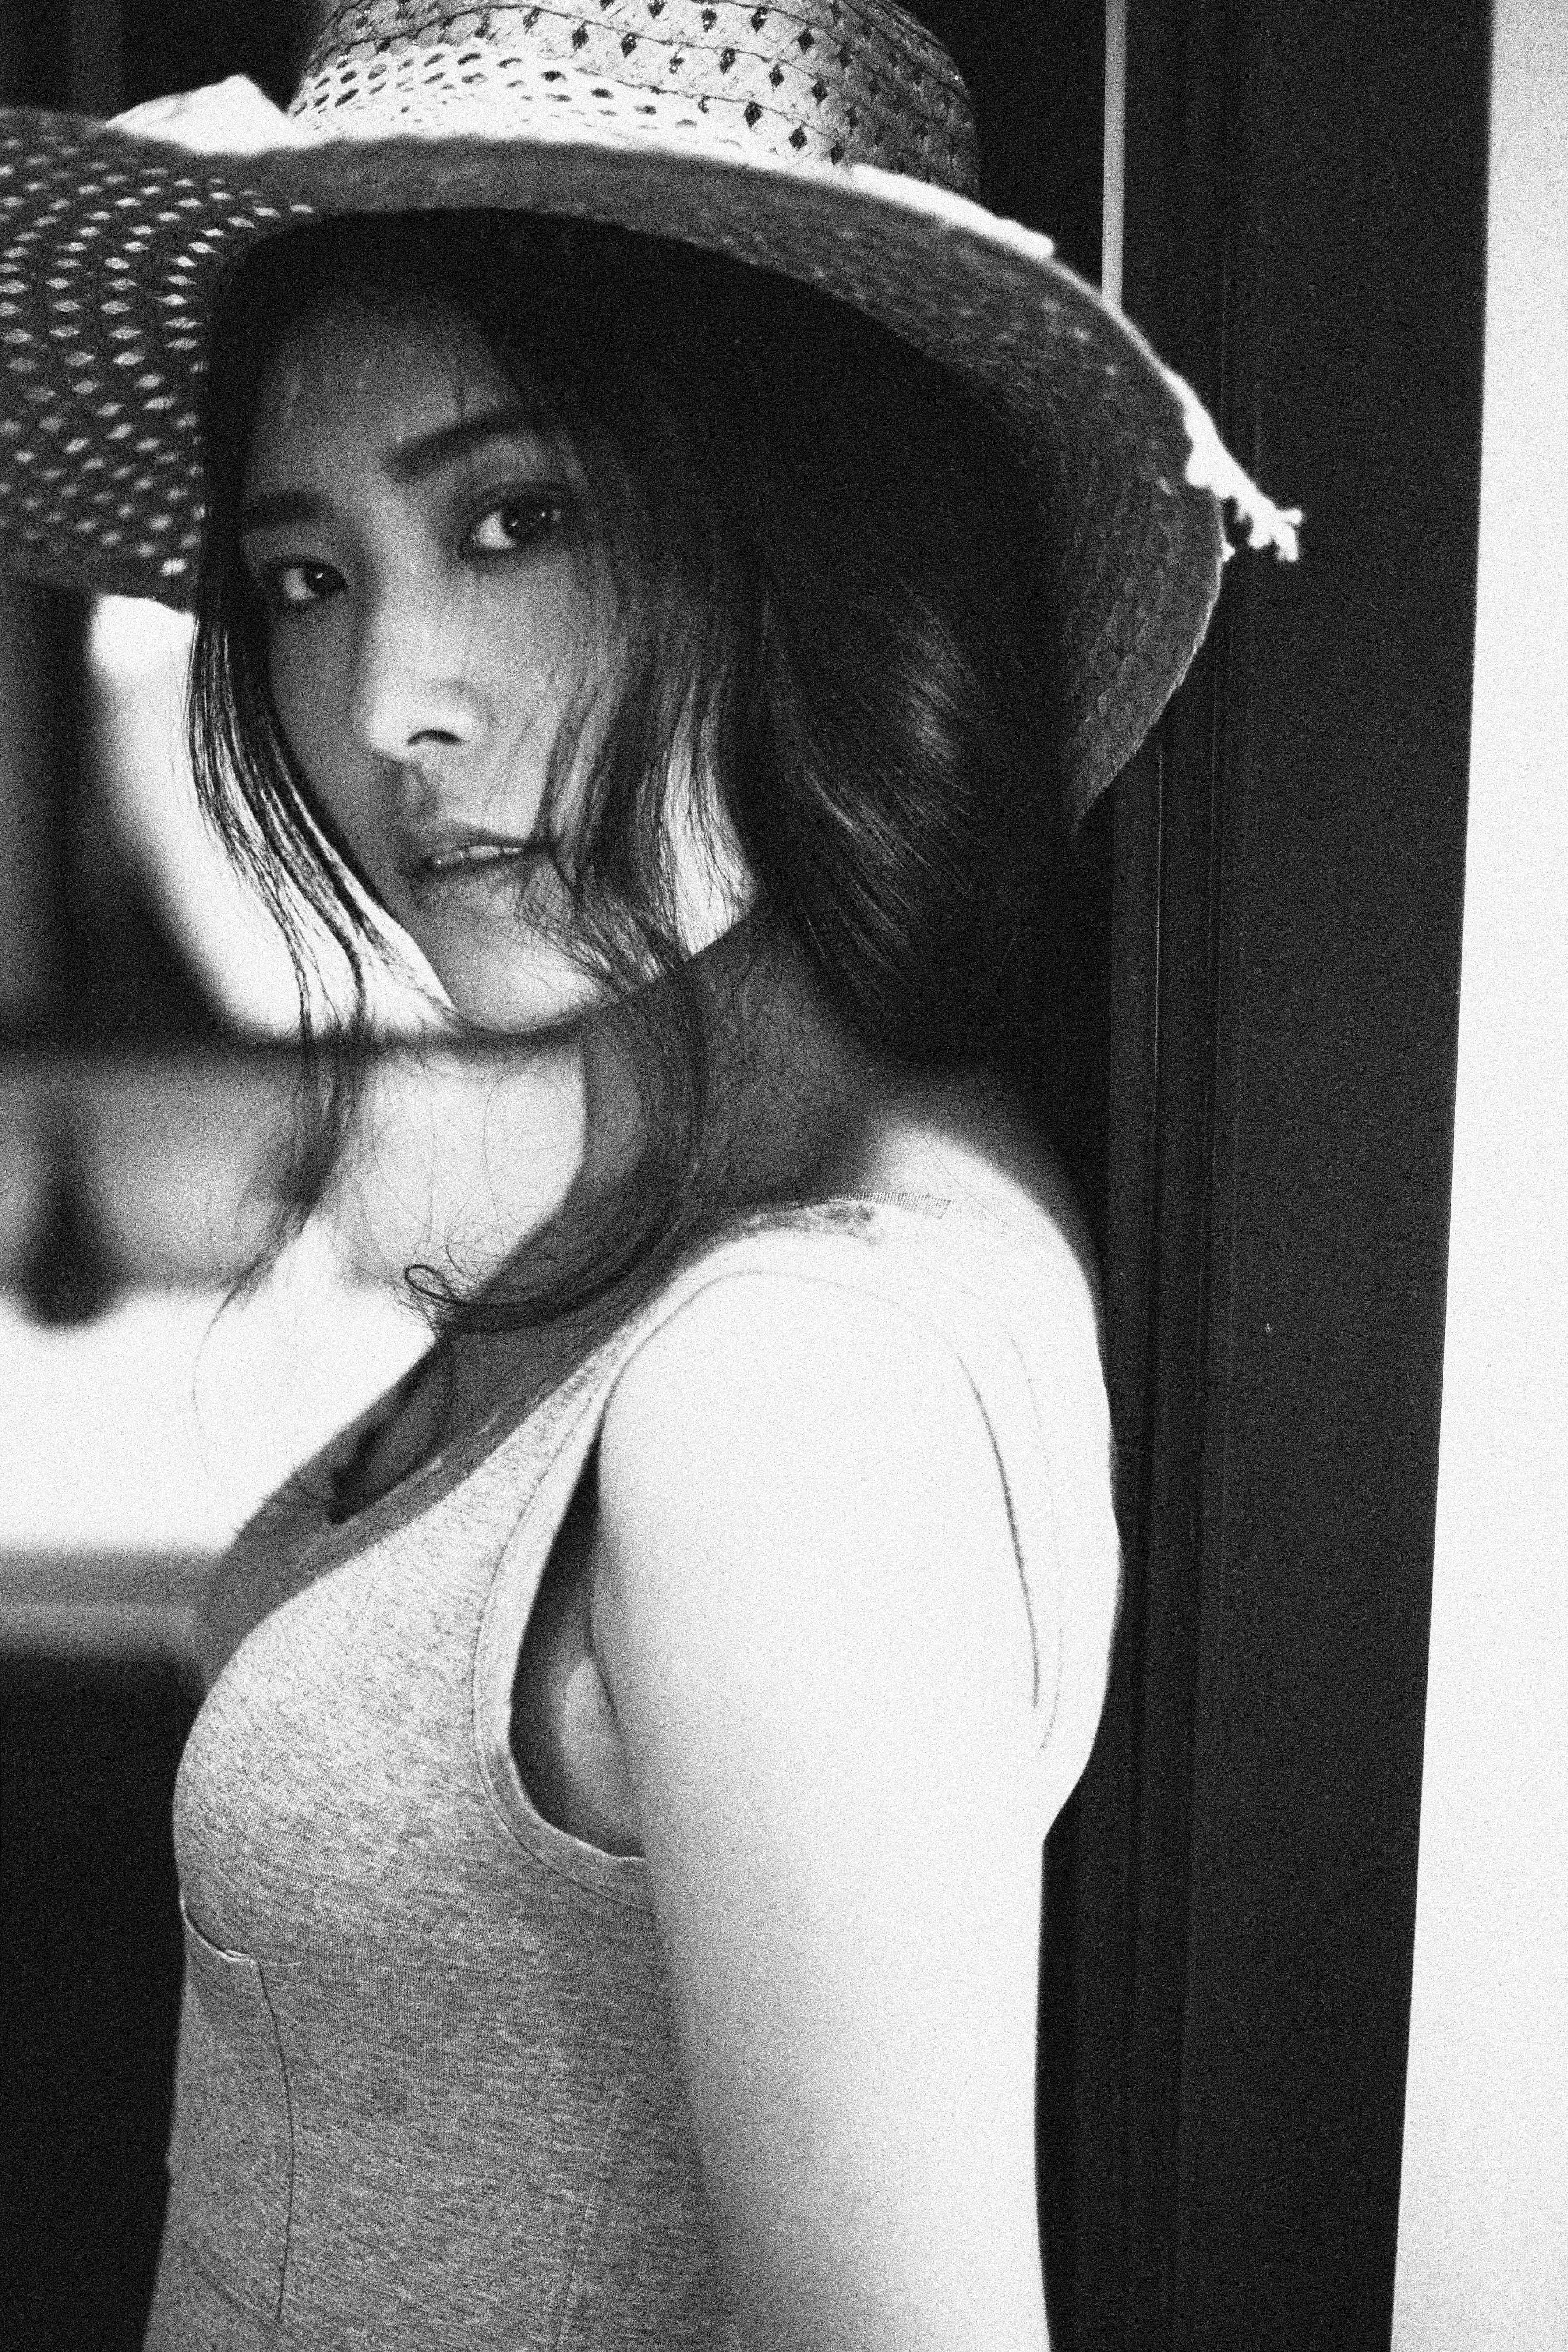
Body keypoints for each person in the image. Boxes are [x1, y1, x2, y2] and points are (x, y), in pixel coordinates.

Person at [0, 6, 1299, 2346]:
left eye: (521, 519)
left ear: (819, 537)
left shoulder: (798, 1388)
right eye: (304, 575)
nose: (388, 704)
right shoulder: (722, 1206)